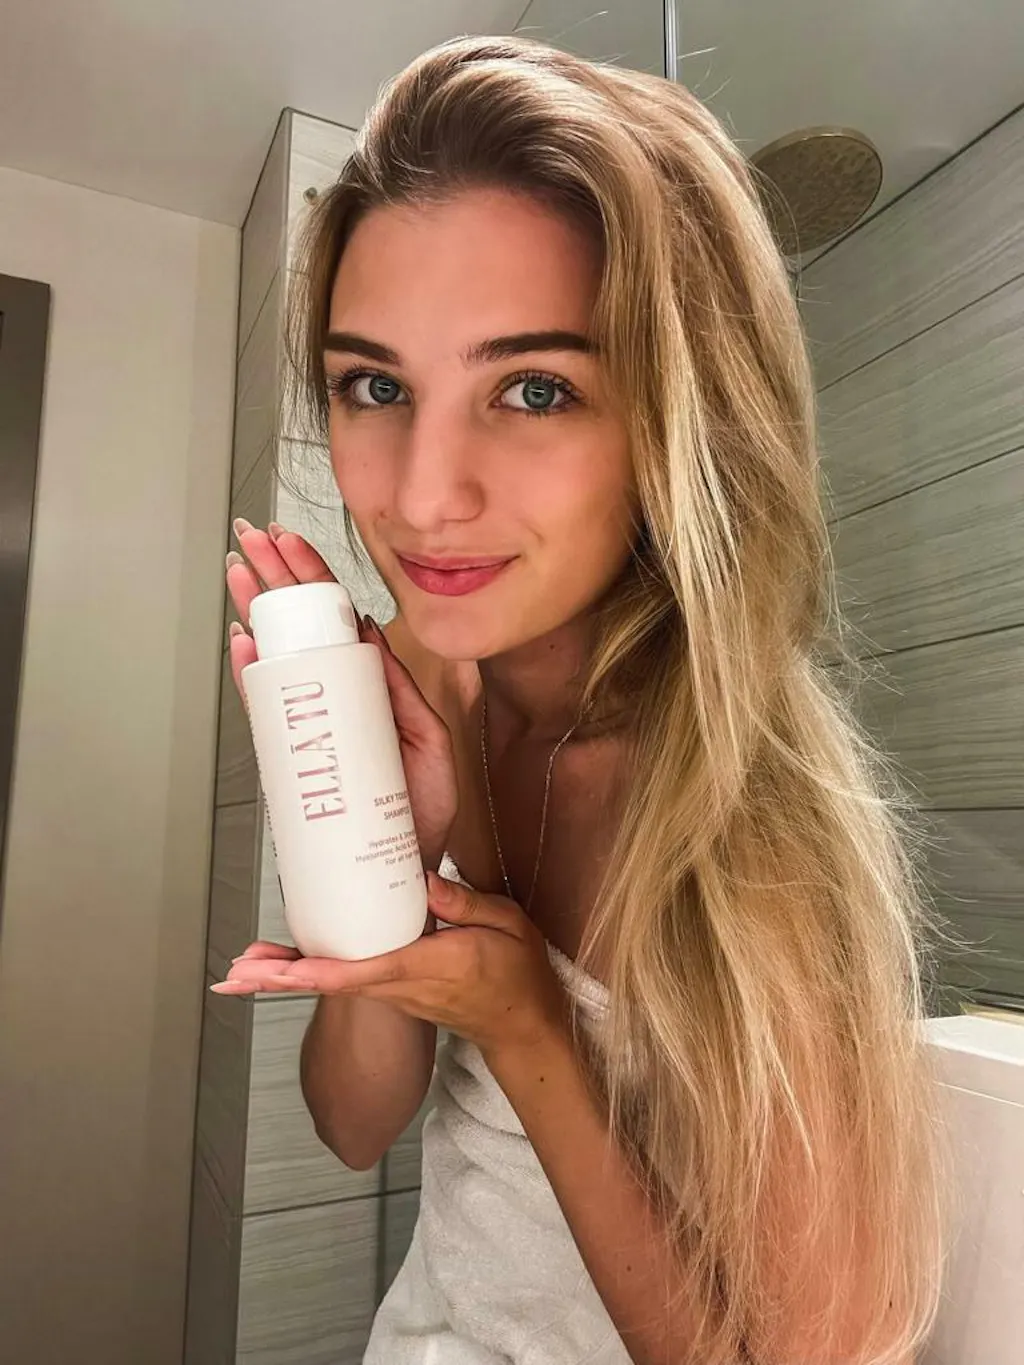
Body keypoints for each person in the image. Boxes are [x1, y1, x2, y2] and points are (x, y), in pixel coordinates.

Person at [215, 35, 947, 1365]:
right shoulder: (424, 684)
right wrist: (374, 860)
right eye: (377, 386)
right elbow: (353, 1126)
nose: (423, 496)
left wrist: (525, 1025)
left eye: (535, 388)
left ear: (681, 423)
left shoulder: (755, 829)